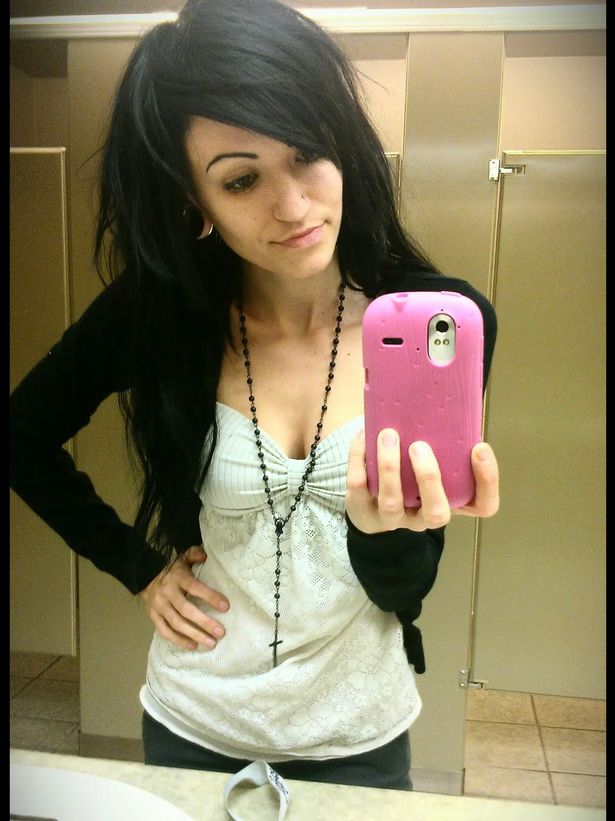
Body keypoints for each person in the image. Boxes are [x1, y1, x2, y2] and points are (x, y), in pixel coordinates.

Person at [9, 0, 499, 792]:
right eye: (241, 179)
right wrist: (138, 566)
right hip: (194, 719)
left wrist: (383, 530)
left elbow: (405, 587)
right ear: (193, 198)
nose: (294, 206)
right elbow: (21, 434)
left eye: (308, 153)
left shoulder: (434, 324)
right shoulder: (156, 313)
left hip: (359, 733)